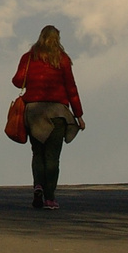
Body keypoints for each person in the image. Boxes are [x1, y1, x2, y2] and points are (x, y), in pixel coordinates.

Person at [12, 24, 84, 210]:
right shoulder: (63, 60)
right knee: (53, 156)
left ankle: (38, 186)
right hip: (57, 113)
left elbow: (17, 81)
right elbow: (71, 88)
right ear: (57, 40)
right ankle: (50, 198)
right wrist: (79, 115)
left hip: (34, 112)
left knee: (38, 152)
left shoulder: (29, 58)